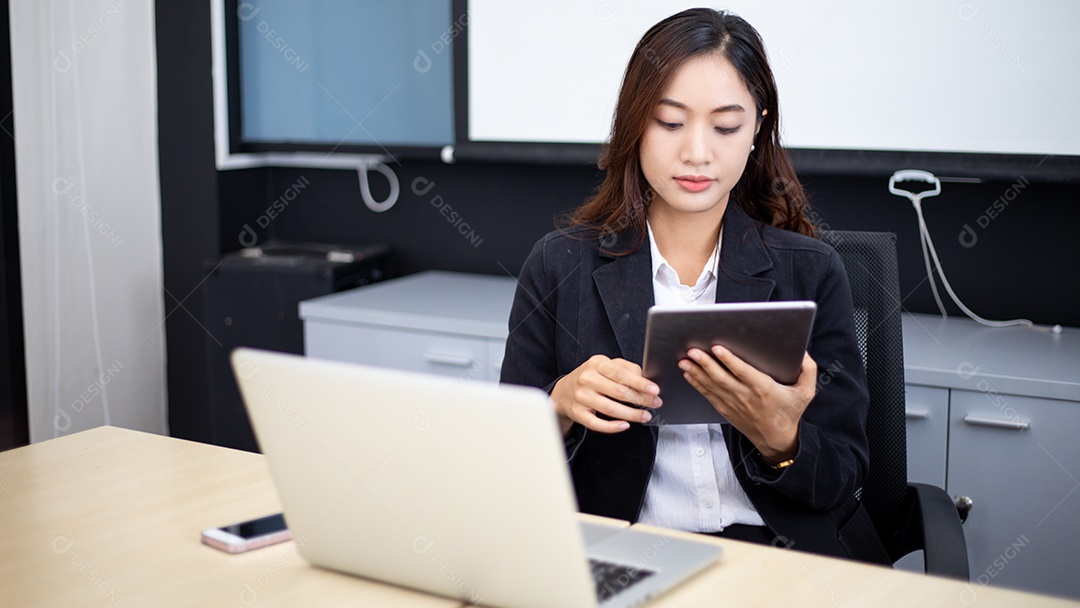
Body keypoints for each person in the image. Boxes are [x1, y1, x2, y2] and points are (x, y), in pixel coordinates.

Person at [500, 8, 890, 564]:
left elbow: (841, 480)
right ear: (635, 124)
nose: (698, 153)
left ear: (757, 128)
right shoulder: (560, 265)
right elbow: (508, 473)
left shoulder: (811, 270)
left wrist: (781, 441)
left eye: (726, 126)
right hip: (625, 556)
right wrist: (557, 408)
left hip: (781, 561)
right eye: (670, 122)